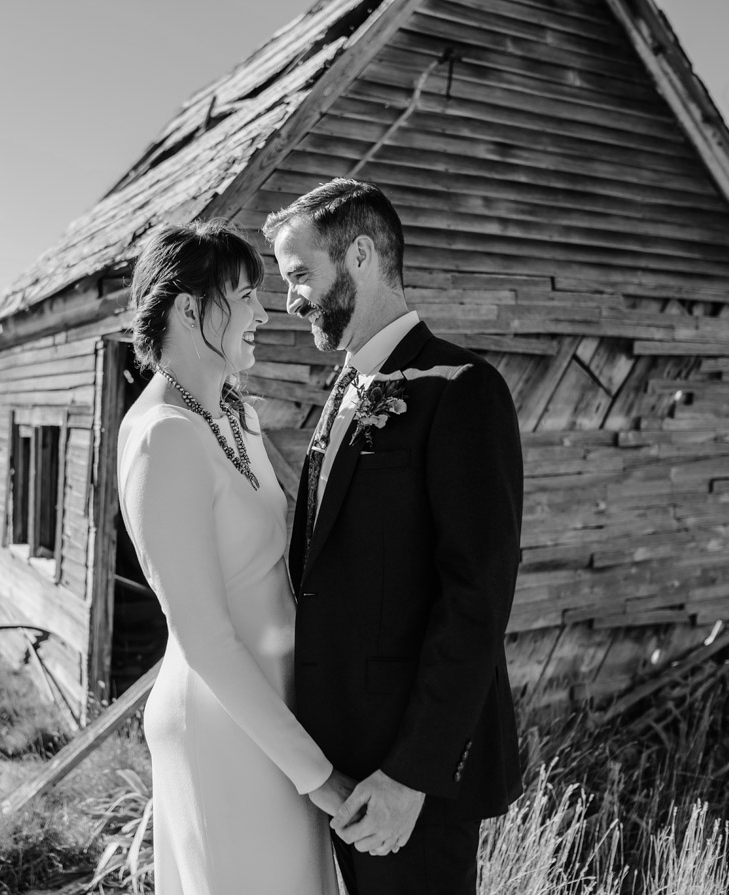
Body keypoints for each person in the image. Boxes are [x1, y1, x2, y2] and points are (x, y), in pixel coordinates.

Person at [264, 179, 524, 895]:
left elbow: (477, 598)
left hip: (410, 781)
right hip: (336, 770)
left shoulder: (462, 388)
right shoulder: (342, 391)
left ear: (361, 256)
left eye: (298, 274)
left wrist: (411, 776)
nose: (289, 299)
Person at [116, 220, 352, 895]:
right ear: (190, 309)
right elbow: (208, 637)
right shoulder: (163, 437)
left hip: (277, 724)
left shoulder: (232, 414)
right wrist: (316, 773)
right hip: (224, 730)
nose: (263, 310)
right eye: (245, 294)